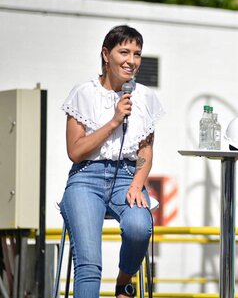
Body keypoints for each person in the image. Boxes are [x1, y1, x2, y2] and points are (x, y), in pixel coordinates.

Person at [60, 25, 165, 298]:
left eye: (138, 54)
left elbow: (145, 151)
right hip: (86, 177)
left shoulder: (145, 97)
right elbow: (75, 151)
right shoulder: (83, 93)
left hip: (127, 176)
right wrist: (115, 121)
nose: (132, 60)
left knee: (140, 227)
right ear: (106, 54)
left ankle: (123, 281)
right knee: (89, 263)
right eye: (124, 52)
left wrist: (136, 184)